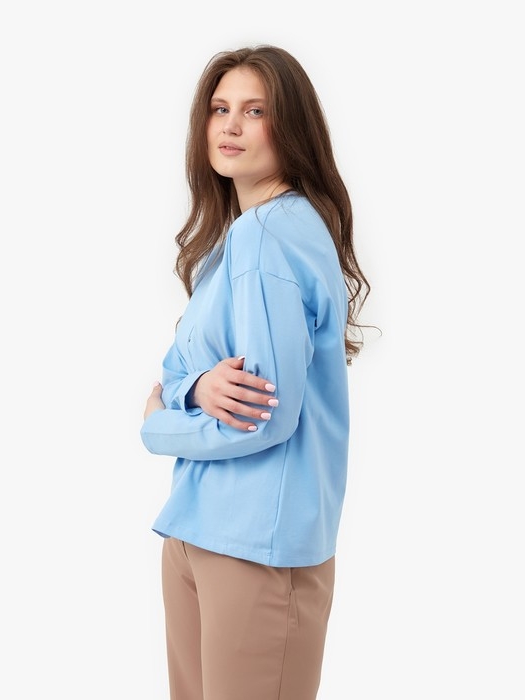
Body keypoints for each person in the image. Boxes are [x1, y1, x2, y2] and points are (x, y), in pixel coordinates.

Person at [140, 44, 370, 700]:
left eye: (255, 110)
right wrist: (195, 388)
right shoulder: (236, 239)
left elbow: (265, 416)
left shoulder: (270, 236)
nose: (231, 125)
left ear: (290, 127)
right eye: (220, 109)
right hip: (197, 533)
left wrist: (160, 427)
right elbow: (178, 369)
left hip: (257, 547)